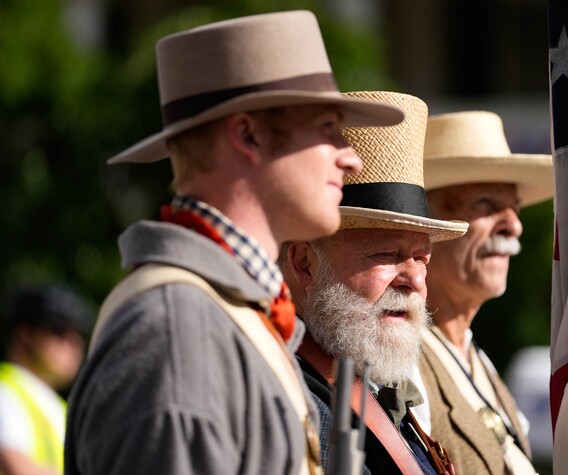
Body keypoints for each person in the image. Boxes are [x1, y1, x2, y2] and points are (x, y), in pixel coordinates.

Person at [64, 11, 404, 475]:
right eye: (326, 128)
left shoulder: (217, 315)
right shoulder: (181, 333)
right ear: (247, 135)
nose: (351, 159)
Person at [281, 91, 469, 475]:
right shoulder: (294, 402)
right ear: (304, 263)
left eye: (421, 258)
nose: (414, 279)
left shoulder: (365, 385)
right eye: (385, 254)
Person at [410, 110, 554, 475]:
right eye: (487, 205)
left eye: (515, 208)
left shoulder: (479, 362)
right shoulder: (399, 365)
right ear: (428, 226)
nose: (514, 225)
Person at [0, 284, 90, 475]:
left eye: (76, 333)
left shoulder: (58, 407)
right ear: (26, 335)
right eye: (60, 331)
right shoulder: (4, 391)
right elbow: (15, 468)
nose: (74, 343)